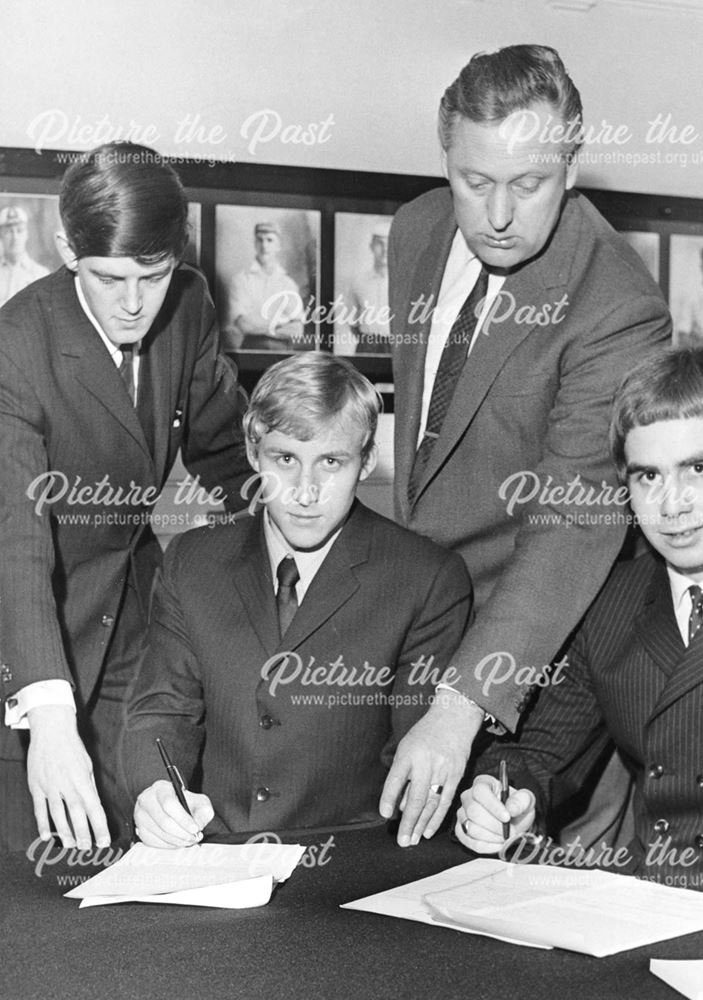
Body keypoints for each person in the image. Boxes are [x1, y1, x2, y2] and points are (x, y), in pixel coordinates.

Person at [379, 44, 671, 845]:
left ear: (570, 169)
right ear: (446, 160)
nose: (497, 216)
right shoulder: (415, 230)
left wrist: (459, 704)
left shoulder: (616, 304)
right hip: (417, 628)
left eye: (529, 184)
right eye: (475, 183)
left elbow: (571, 520)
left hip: (537, 659)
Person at [457, 347, 703, 932]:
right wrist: (505, 797)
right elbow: (535, 755)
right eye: (648, 476)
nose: (672, 503)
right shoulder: (612, 600)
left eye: (698, 469)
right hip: (642, 913)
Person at [0, 142, 252, 852]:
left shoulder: (191, 304)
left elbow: (224, 451)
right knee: (39, 880)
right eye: (112, 279)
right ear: (66, 249)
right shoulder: (15, 348)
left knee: (156, 846)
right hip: (29, 642)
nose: (136, 304)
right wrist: (49, 717)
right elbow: (15, 546)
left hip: (133, 625)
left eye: (154, 274)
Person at [122, 353, 472, 845]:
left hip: (349, 876)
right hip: (216, 858)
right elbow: (163, 711)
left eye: (331, 462)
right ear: (252, 452)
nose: (305, 492)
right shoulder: (191, 560)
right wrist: (155, 792)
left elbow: (417, 759)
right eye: (285, 459)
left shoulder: (427, 578)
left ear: (367, 460)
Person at [224, 220, 305, 351]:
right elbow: (243, 324)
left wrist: (259, 324)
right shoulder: (241, 280)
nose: (264, 246)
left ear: (278, 246)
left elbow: (297, 330)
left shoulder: (289, 284)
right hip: (252, 349)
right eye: (260, 240)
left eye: (270, 240)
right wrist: (279, 324)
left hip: (282, 352)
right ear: (255, 244)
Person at [348, 219, 392, 354]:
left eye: (388, 243)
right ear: (371, 246)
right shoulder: (359, 282)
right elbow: (353, 322)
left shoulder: (403, 283)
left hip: (394, 346)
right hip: (367, 345)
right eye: (380, 243)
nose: (385, 249)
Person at [0, 205, 49, 307]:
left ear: (26, 234)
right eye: (9, 232)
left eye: (19, 231)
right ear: (1, 236)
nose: (15, 237)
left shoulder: (40, 274)